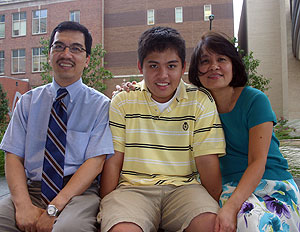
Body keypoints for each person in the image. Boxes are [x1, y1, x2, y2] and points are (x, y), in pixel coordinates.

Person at [97, 26, 226, 232]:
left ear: (183, 67)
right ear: (141, 67)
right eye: (154, 65)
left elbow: (207, 161)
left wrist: (210, 207)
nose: (163, 75)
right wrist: (107, 205)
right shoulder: (123, 101)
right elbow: (114, 160)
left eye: (171, 66)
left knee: (210, 225)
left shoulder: (199, 101)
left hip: (185, 189)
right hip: (133, 189)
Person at [0, 21, 114, 232]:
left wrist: (54, 208)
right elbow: (13, 155)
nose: (66, 54)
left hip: (78, 194)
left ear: (87, 59)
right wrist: (23, 205)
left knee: (69, 228)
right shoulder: (27, 102)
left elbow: (95, 162)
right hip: (32, 188)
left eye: (76, 48)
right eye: (59, 46)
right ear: (50, 53)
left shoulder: (100, 106)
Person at [188, 31, 300, 231]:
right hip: (226, 187)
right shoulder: (198, 105)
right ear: (197, 72)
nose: (213, 66)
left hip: (271, 184)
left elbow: (258, 161)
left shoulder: (255, 100)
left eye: (221, 59)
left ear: (233, 65)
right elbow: (165, 88)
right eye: (205, 61)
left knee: (251, 222)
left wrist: (231, 207)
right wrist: (134, 88)